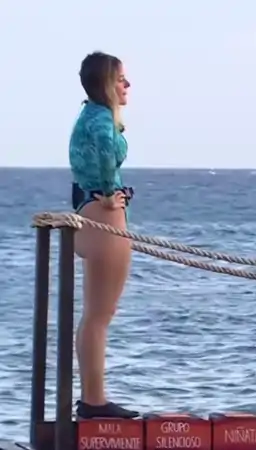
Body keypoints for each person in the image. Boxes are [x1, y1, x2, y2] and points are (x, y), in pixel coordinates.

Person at [69, 51, 139, 419]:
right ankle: (94, 402)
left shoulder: (92, 115)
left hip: (88, 211)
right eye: (120, 79)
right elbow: (106, 156)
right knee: (100, 315)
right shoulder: (99, 120)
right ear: (105, 84)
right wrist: (113, 193)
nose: (127, 85)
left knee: (95, 315)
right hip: (103, 217)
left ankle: (92, 398)